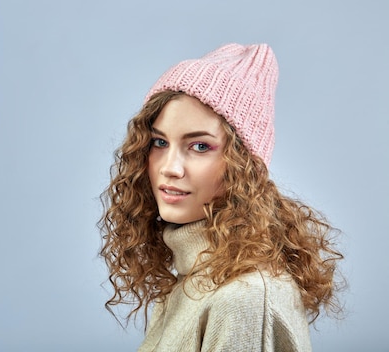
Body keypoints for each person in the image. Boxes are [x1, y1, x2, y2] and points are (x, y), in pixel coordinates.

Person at [99, 43, 344, 351]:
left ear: (245, 165)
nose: (170, 168)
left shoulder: (243, 300)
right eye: (159, 142)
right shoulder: (195, 278)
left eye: (200, 146)